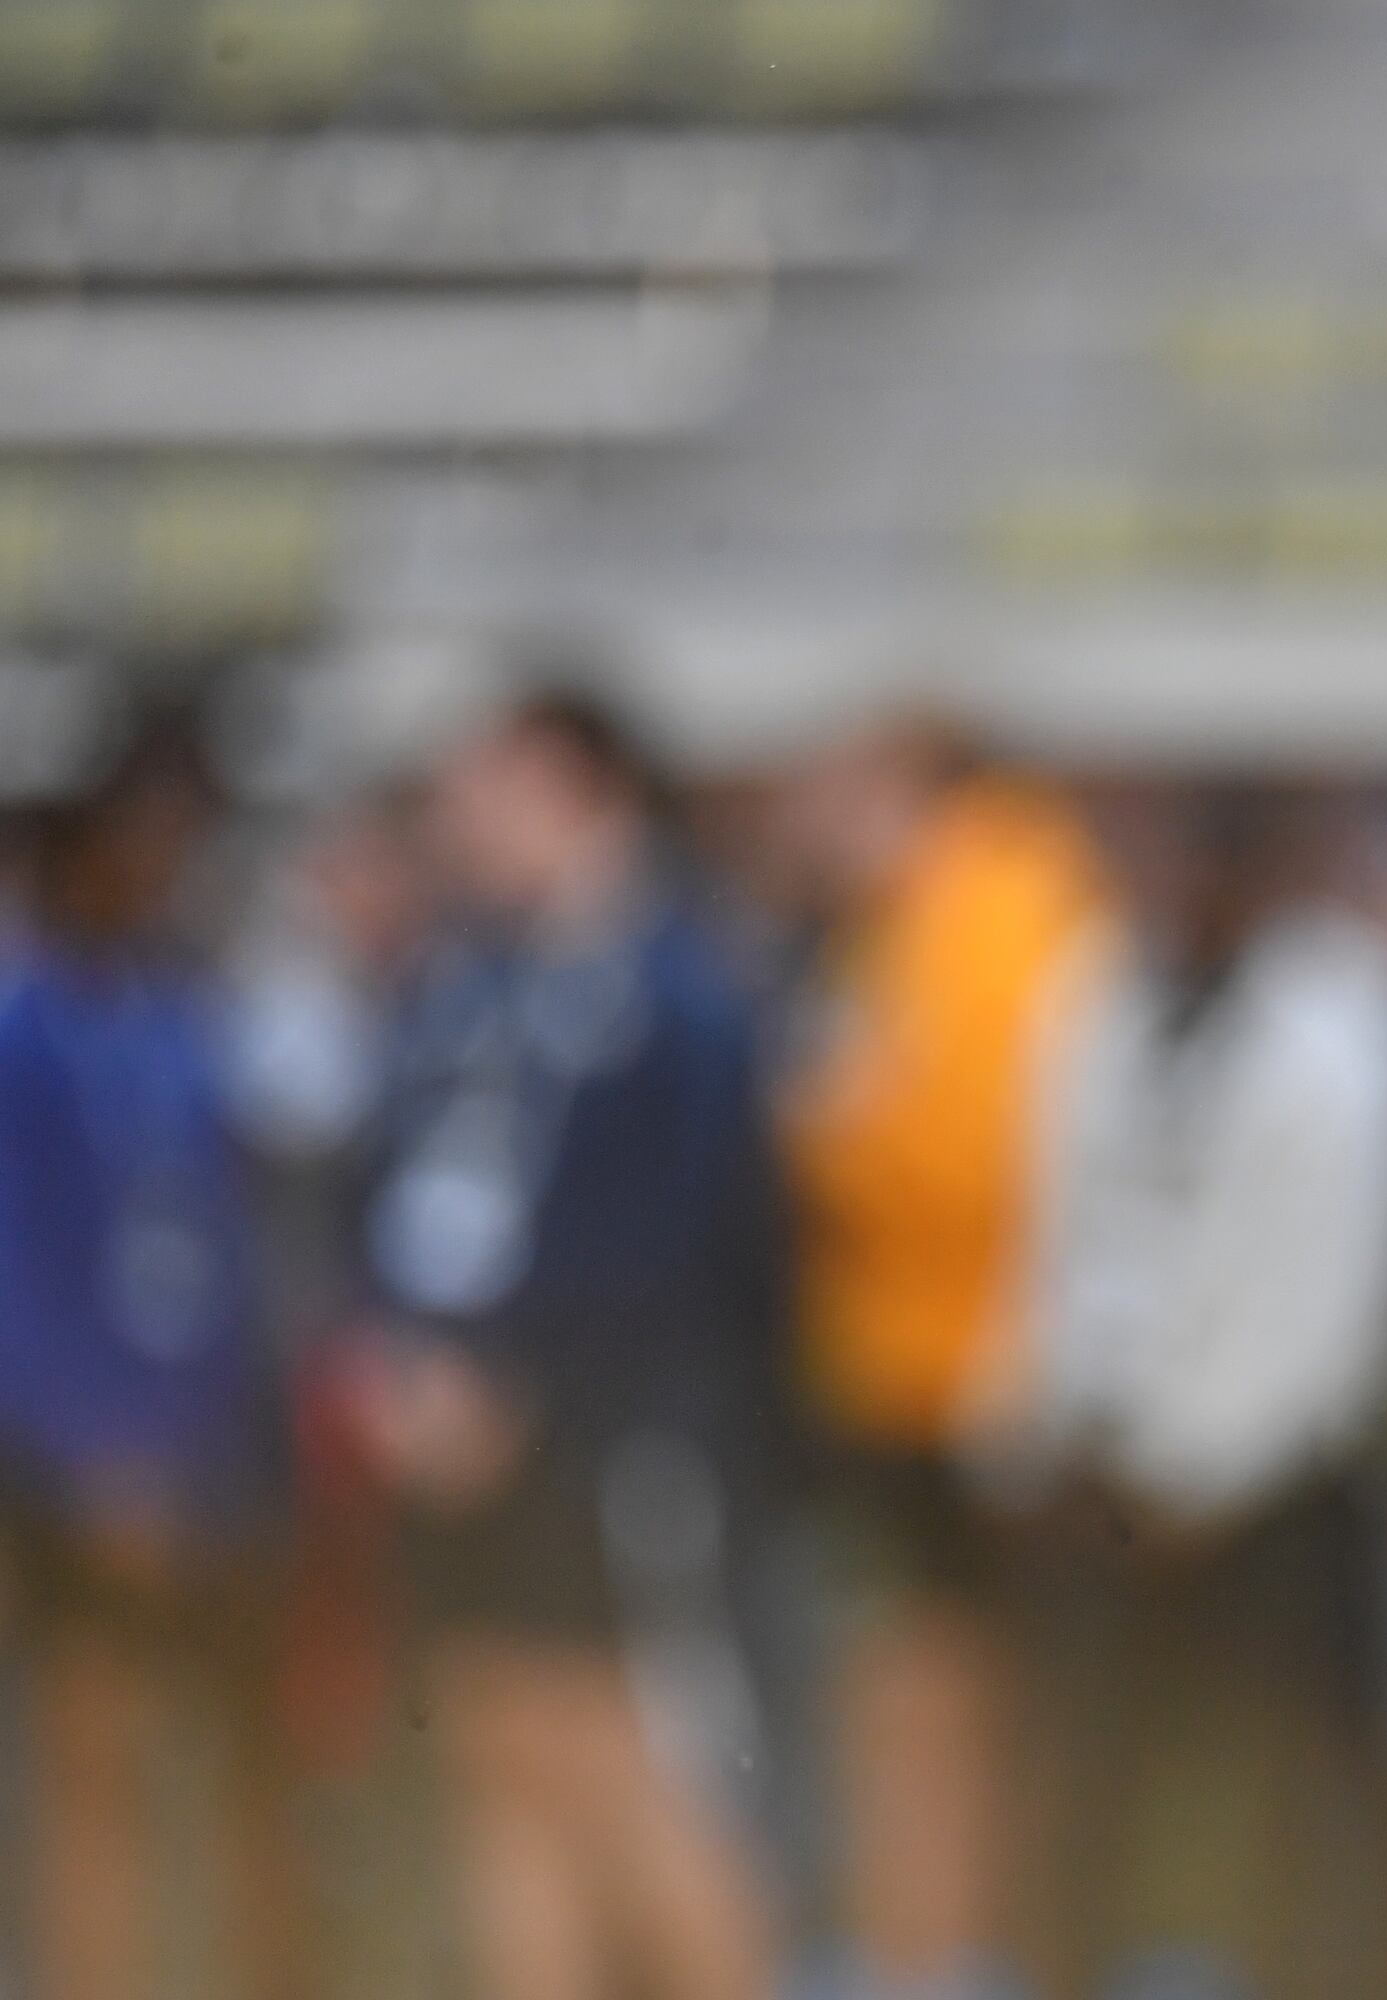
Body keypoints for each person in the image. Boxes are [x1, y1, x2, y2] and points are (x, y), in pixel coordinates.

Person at [345, 692, 787, 2000]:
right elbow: (404, 1195)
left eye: (494, 784)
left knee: (642, 1782)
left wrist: (519, 1393)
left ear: (584, 786)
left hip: (612, 1459)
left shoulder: (681, 993)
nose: (463, 819)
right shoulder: (465, 983)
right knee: (500, 1771)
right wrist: (403, 1368)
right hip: (452, 1457)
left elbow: (687, 1243)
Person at [991, 779, 1387, 2000]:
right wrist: (1049, 1429)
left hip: (1280, 1487)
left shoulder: (1349, 1017)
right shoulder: (1104, 987)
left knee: (1302, 1802)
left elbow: (1336, 1289)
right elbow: (1064, 1228)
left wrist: (1203, 1473)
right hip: (1111, 1479)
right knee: (1081, 1799)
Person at [776, 713, 1106, 2000]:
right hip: (917, 1373)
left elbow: (980, 1161)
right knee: (912, 1698)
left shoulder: (996, 905)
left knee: (938, 1702)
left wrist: (826, 1132)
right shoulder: (918, 915)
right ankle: (922, 1948)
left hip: (960, 1383)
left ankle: (948, 1957)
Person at [0, 728, 306, 2000]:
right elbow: (21, 1275)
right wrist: (92, 1452)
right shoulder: (25, 1037)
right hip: (86, 1465)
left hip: (214, 1456)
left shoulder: (184, 1017)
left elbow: (218, 1247)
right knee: (99, 1756)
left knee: (236, 1766)